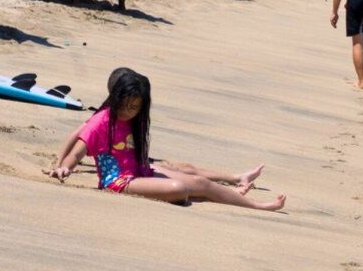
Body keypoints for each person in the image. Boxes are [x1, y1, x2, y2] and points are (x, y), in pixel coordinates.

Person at [46, 70, 285, 212]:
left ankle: (253, 204)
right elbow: (77, 151)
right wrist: (64, 167)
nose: (129, 112)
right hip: (117, 182)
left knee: (199, 181)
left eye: (136, 107)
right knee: (180, 188)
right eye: (126, 105)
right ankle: (236, 199)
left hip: (141, 173)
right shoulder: (101, 121)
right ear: (115, 97)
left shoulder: (136, 120)